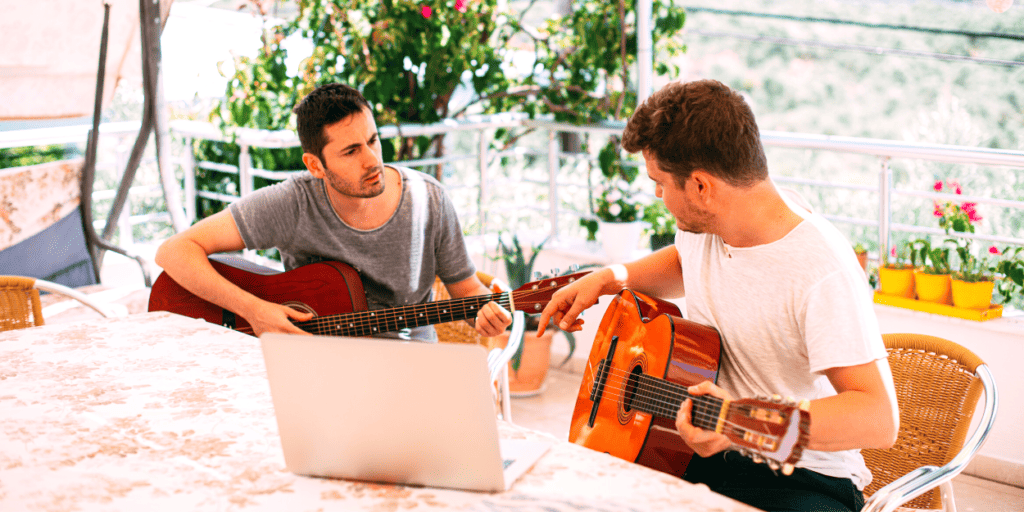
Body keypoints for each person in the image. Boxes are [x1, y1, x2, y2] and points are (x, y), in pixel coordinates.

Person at [537, 79, 898, 512]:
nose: (657, 195)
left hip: (804, 479)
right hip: (702, 454)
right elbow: (684, 261)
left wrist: (741, 424)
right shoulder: (710, 226)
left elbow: (878, 418)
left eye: (659, 182)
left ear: (702, 186)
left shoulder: (821, 268)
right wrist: (610, 277)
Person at [155, 83, 511, 340]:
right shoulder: (292, 204)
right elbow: (173, 251)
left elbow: (466, 292)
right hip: (316, 365)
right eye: (351, 151)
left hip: (408, 364)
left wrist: (485, 312)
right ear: (315, 165)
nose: (372, 160)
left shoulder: (429, 201)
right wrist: (254, 310)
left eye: (373, 140)